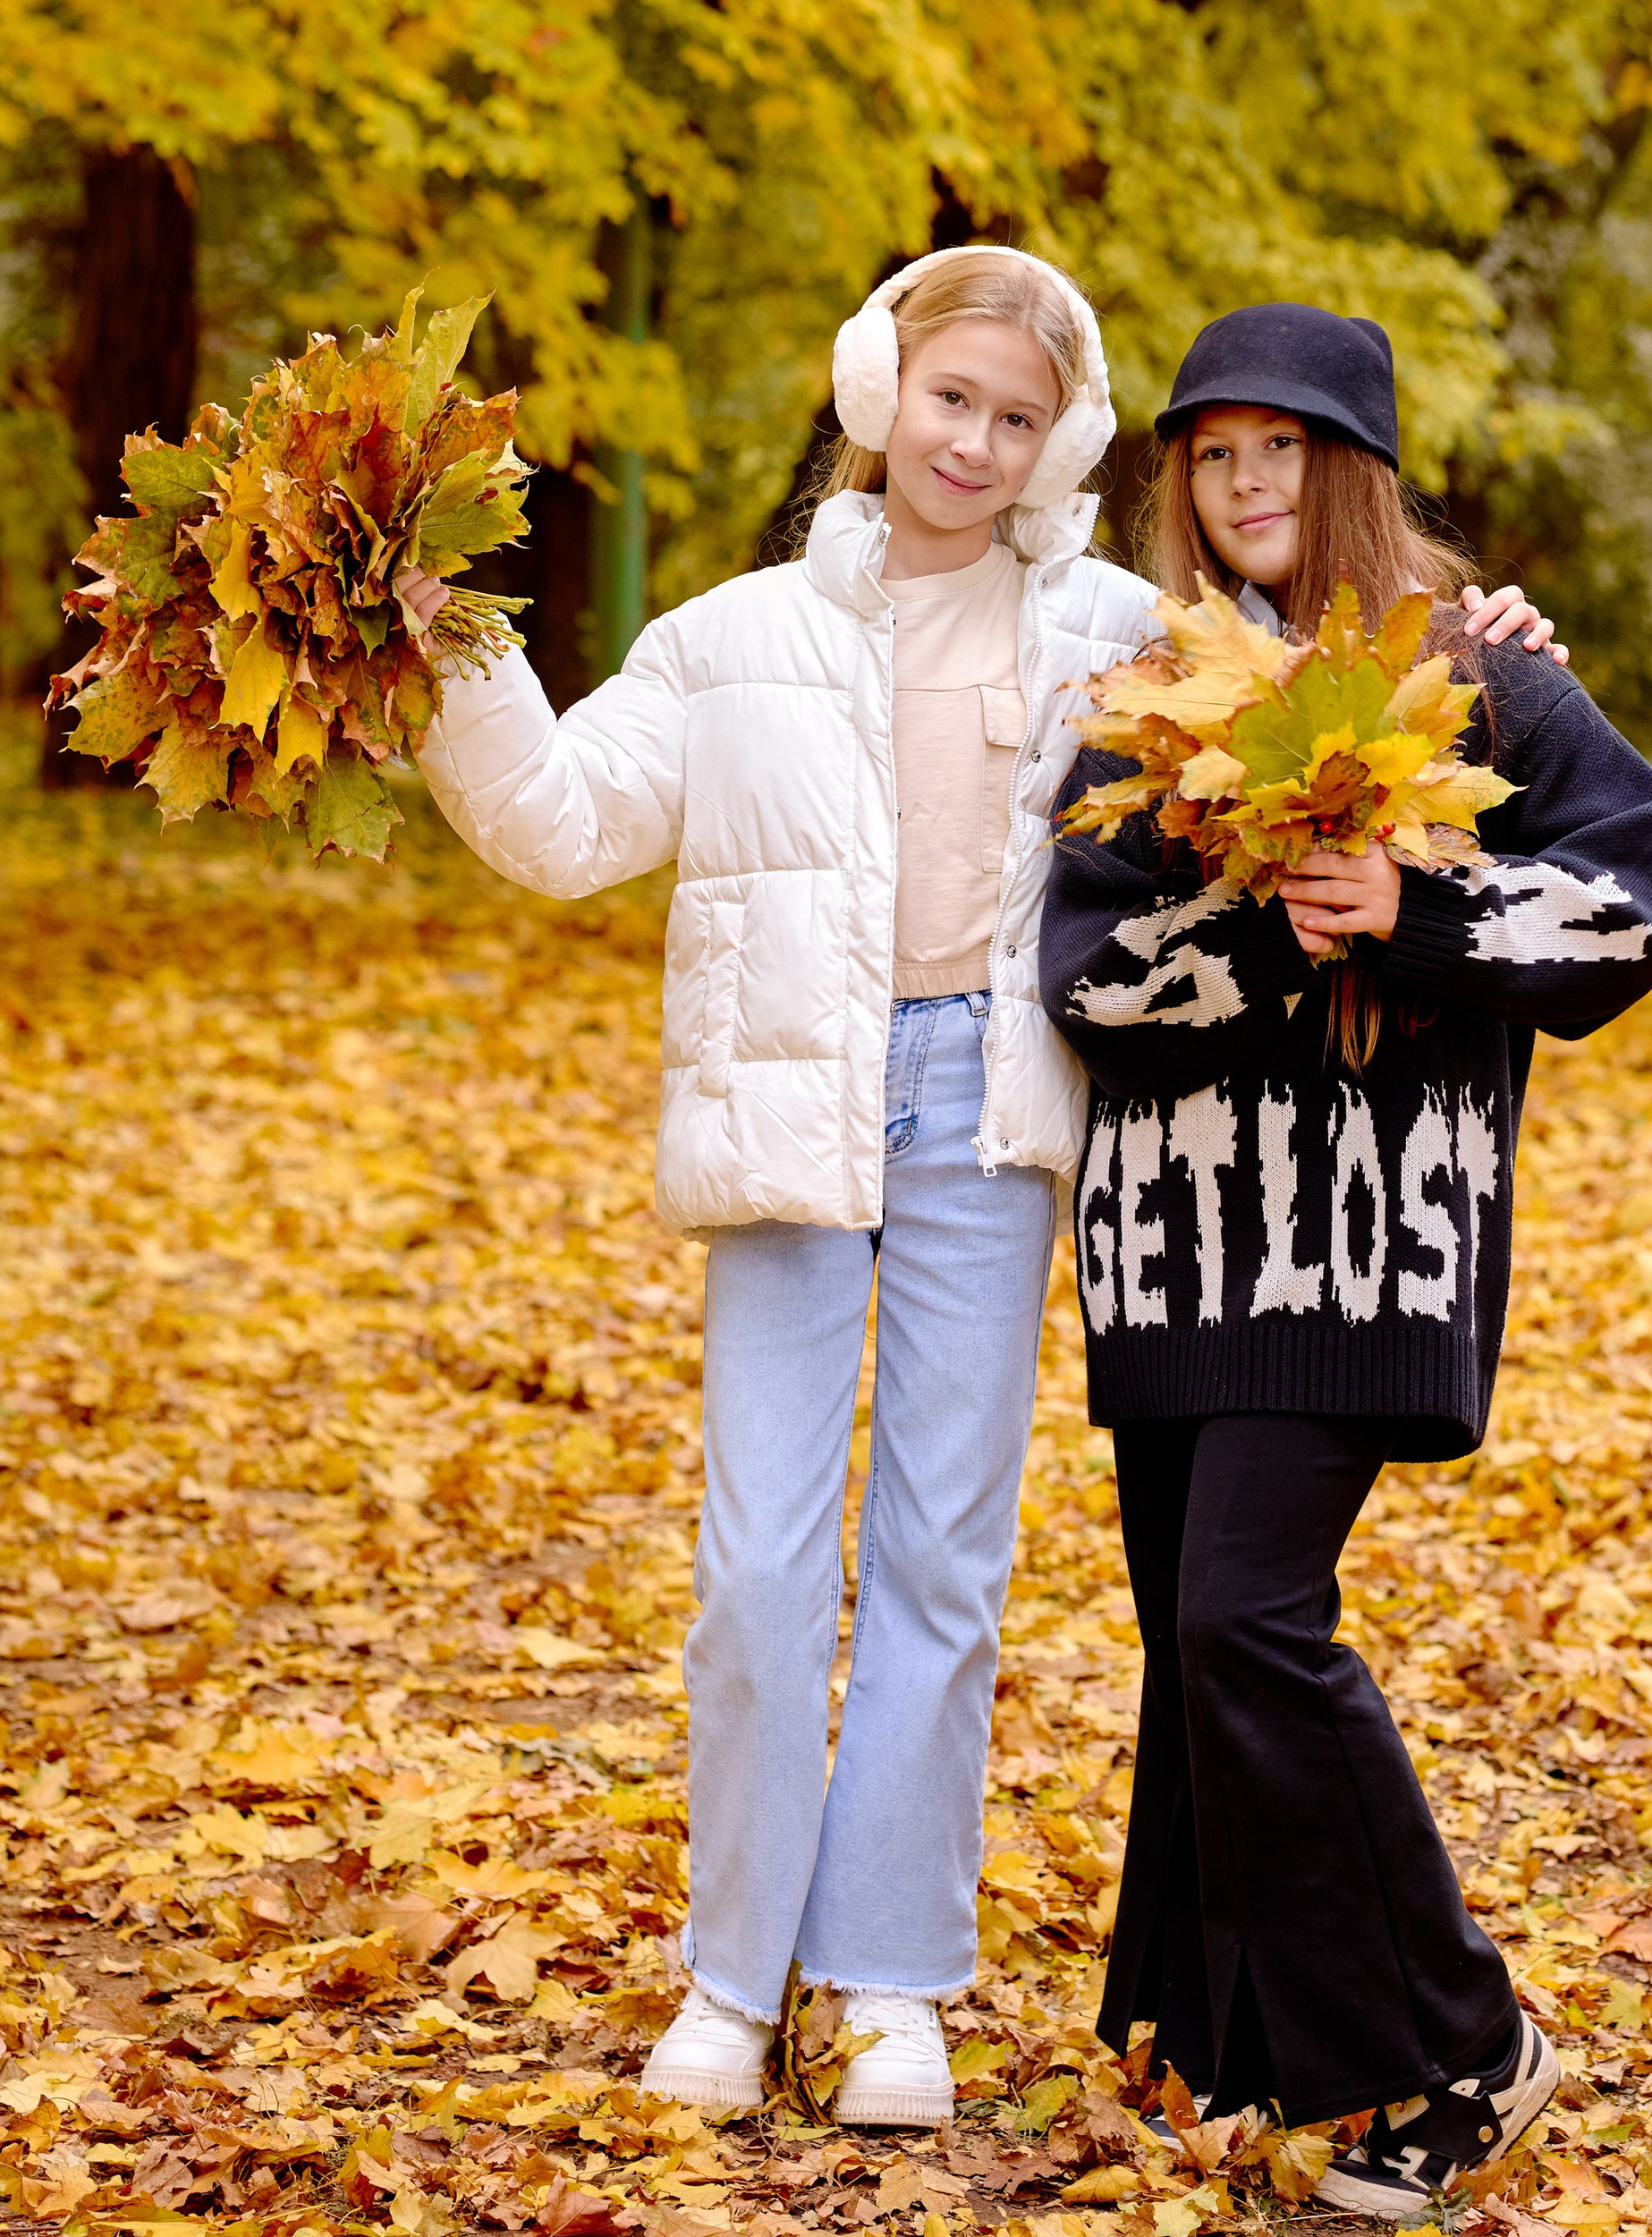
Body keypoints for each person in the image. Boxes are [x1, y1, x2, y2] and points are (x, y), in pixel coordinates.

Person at [400, 256, 1555, 2129]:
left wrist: (1482, 629)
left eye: (1019, 418)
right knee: (760, 1566)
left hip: (993, 1112)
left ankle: (887, 1983)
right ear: (879, 390)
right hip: (795, 1100)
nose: (974, 442)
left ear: (1062, 444)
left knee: (945, 1559)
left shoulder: (1124, 631)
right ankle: (730, 1978)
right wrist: (443, 643)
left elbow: (1328, 669)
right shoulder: (726, 637)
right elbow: (556, 824)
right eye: (950, 399)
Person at [1039, 302, 1652, 2217]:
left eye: (1283, 448)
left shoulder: (1479, 682)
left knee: (1246, 1622)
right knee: (1193, 1649)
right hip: (1172, 1258)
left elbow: (1624, 918)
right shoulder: (1155, 702)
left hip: (1359, 1251)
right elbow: (1086, 977)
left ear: (1355, 470)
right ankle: (1224, 2045)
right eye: (1212, 455)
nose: (1245, 483)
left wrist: (1413, 909)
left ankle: (1459, 2045)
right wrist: (1271, 938)